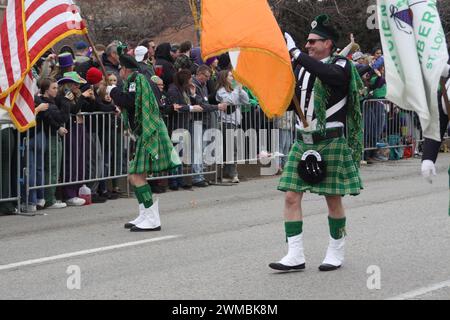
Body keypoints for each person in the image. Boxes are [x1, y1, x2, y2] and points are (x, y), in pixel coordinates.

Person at [269, 14, 364, 272]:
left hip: (330, 141)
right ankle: (295, 255)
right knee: (290, 197)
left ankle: (336, 250)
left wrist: (297, 54)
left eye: (313, 41)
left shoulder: (342, 65)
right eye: (306, 42)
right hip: (303, 141)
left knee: (332, 199)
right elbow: (295, 102)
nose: (308, 45)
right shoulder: (301, 68)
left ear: (329, 43)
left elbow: (328, 74)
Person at [107, 50, 181, 232]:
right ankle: (145, 214)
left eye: (120, 69)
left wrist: (113, 91)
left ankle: (152, 217)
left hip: (150, 131)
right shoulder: (139, 80)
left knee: (135, 175)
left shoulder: (136, 81)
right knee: (138, 175)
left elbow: (131, 101)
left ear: (125, 69)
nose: (119, 73)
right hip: (148, 131)